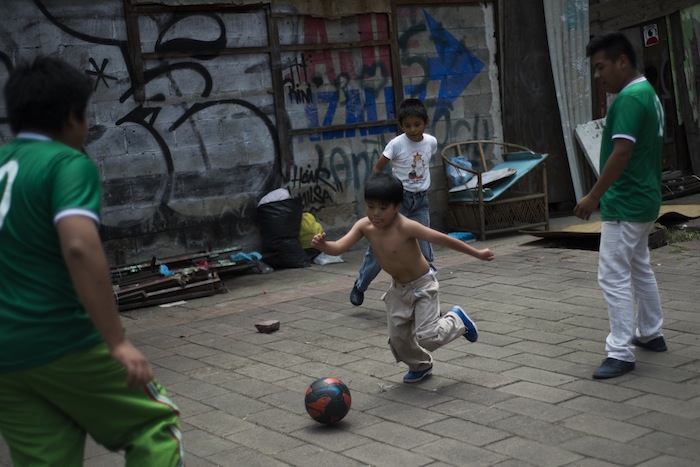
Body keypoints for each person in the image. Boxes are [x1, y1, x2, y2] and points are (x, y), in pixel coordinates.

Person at [0, 56, 184, 465]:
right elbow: (79, 246)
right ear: (71, 116)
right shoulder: (67, 165)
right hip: (64, 339)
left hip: (6, 359)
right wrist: (116, 341)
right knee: (154, 428)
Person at [312, 172, 494, 383]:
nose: (375, 214)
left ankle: (457, 320)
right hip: (398, 289)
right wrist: (324, 245)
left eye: (383, 208)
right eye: (370, 207)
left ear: (397, 206)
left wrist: (478, 253)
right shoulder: (364, 226)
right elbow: (339, 247)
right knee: (398, 339)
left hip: (423, 285)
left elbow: (445, 240)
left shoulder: (406, 226)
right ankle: (420, 365)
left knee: (428, 336)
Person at [574, 32, 666, 380]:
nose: (598, 75)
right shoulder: (648, 94)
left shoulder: (629, 99)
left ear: (622, 61)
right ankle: (651, 332)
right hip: (644, 198)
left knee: (612, 275)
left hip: (625, 202)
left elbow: (622, 152)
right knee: (639, 267)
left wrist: (593, 195)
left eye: (601, 67)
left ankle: (620, 352)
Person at [350, 98, 437, 306]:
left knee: (425, 249)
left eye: (417, 124)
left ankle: (429, 297)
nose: (412, 129)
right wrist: (384, 194)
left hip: (421, 202)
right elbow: (378, 169)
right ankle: (360, 285)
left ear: (426, 122)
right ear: (401, 125)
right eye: (407, 125)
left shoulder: (431, 142)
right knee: (380, 246)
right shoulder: (396, 144)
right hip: (399, 202)